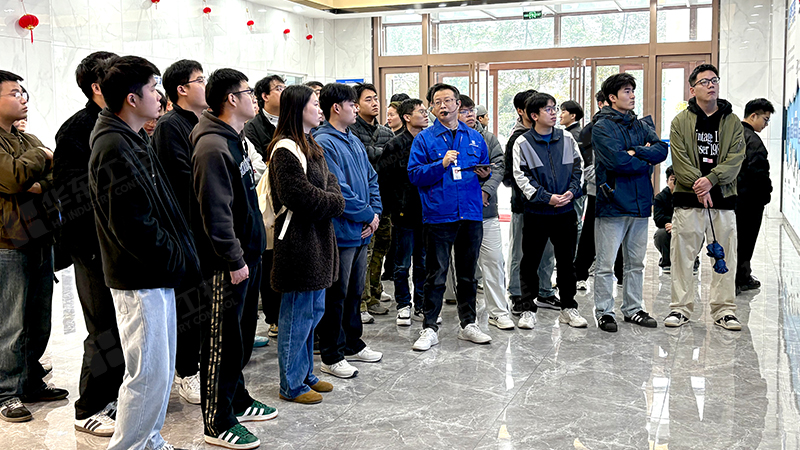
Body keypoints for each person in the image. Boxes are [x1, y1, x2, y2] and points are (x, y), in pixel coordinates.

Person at [88, 55, 198, 450]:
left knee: (160, 370)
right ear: (132, 99)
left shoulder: (133, 137)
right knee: (146, 373)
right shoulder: (113, 145)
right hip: (140, 277)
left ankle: (149, 439)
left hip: (157, 273)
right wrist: (174, 258)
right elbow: (133, 226)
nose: (160, 97)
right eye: (154, 89)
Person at [190, 69, 277, 449]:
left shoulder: (234, 138)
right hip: (226, 263)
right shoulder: (212, 146)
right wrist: (233, 258)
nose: (253, 98)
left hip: (247, 254)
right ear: (231, 99)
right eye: (248, 92)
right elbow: (216, 212)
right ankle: (217, 421)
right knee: (221, 342)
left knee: (238, 338)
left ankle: (237, 399)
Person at [52, 51, 121, 436]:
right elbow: (72, 196)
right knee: (103, 329)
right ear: (97, 86)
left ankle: (115, 397)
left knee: (121, 328)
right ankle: (90, 407)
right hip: (95, 247)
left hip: (122, 247)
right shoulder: (78, 129)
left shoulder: (120, 122)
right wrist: (94, 248)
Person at [268, 85, 345, 404]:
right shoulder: (285, 148)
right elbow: (297, 195)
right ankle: (291, 383)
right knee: (297, 316)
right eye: (314, 104)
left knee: (313, 312)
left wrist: (333, 199)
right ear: (298, 108)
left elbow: (331, 183)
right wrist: (334, 202)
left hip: (317, 237)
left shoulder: (310, 143)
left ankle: (305, 373)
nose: (319, 109)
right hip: (298, 242)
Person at [0, 70, 67, 424]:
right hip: (8, 241)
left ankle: (29, 381)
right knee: (11, 322)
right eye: (14, 93)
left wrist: (37, 178)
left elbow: (57, 177)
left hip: (40, 235)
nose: (23, 98)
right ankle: (6, 393)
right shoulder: (31, 145)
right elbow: (12, 178)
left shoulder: (28, 139)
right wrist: (42, 157)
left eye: (24, 92)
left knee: (38, 319)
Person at [408, 83, 493, 351]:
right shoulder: (424, 139)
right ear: (432, 108)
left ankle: (468, 324)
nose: (443, 106)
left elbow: (485, 167)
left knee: (468, 274)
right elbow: (414, 175)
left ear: (458, 104)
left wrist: (485, 175)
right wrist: (441, 164)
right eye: (437, 102)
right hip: (438, 215)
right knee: (436, 274)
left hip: (470, 213)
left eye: (447, 100)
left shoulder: (474, 137)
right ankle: (429, 327)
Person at [666, 64, 745, 331]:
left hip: (723, 199)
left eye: (714, 80)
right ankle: (680, 308)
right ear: (692, 89)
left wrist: (711, 180)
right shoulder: (680, 121)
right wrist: (700, 185)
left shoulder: (732, 121)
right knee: (682, 257)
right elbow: (680, 160)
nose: (711, 85)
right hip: (688, 199)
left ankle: (724, 310)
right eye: (704, 82)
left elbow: (736, 158)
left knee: (725, 257)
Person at [313, 83, 384, 378]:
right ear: (336, 107)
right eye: (351, 104)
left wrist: (375, 213)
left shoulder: (352, 138)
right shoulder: (323, 142)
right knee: (337, 294)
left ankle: (353, 343)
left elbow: (371, 178)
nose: (356, 108)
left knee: (355, 292)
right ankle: (332, 354)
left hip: (362, 229)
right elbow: (338, 189)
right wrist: (367, 215)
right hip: (341, 231)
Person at [151, 59, 209, 406]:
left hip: (204, 230)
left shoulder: (202, 121)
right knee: (190, 306)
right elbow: (185, 181)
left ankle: (195, 365)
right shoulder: (171, 126)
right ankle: (186, 372)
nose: (205, 84)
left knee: (202, 304)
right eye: (200, 80)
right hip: (186, 229)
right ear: (182, 89)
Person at [592, 73, 667, 333]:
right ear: (612, 97)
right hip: (613, 203)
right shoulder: (601, 126)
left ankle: (633, 309)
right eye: (626, 91)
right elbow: (617, 161)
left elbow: (661, 150)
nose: (632, 95)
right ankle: (604, 311)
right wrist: (643, 158)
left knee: (636, 263)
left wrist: (638, 151)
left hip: (640, 203)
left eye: (633, 90)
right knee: (605, 264)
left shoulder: (639, 124)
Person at [512, 93, 588, 329]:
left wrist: (571, 192)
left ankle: (568, 307)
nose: (554, 113)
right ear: (534, 116)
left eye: (555, 108)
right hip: (537, 212)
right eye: (548, 109)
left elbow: (579, 168)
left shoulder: (567, 138)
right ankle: (527, 308)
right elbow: (520, 177)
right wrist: (546, 198)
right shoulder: (522, 142)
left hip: (565, 210)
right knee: (530, 262)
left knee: (566, 262)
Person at [502, 89, 559, 326]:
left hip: (551, 205)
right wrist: (534, 191)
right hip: (524, 206)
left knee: (547, 251)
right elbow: (509, 177)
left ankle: (545, 291)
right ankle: (517, 293)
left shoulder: (552, 135)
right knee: (521, 252)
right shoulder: (517, 139)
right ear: (522, 111)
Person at [458, 94, 514, 330]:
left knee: (493, 260)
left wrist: (486, 190)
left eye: (472, 110)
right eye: (464, 111)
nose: (470, 115)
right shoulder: (444, 138)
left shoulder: (488, 138)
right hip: (456, 212)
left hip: (485, 209)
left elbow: (499, 167)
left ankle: (498, 312)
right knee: (457, 266)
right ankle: (458, 311)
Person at [377, 98, 428, 326]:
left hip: (427, 212)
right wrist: (391, 209)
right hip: (403, 213)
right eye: (420, 112)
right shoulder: (395, 145)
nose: (425, 115)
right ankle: (403, 305)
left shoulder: (429, 141)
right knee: (401, 264)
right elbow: (384, 180)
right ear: (407, 117)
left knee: (423, 263)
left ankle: (421, 304)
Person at [348, 82, 395, 323]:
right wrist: (382, 152)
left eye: (376, 98)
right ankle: (361, 301)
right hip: (361, 204)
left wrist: (379, 152)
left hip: (384, 199)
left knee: (380, 250)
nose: (375, 103)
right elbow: (364, 159)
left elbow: (393, 160)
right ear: (355, 105)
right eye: (368, 99)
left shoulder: (386, 131)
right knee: (364, 254)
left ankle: (375, 293)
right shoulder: (351, 130)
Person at [245, 74, 286, 341]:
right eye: (278, 88)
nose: (284, 92)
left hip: (288, 203)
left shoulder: (291, 121)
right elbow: (259, 167)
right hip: (266, 203)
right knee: (270, 263)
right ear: (264, 96)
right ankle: (273, 318)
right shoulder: (253, 127)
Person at [736, 98, 774, 294]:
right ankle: (741, 279)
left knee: (735, 240)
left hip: (732, 199)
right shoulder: (754, 141)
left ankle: (739, 277)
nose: (766, 124)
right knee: (746, 241)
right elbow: (759, 174)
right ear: (753, 116)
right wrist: (766, 195)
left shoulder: (733, 134)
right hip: (749, 201)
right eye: (765, 119)